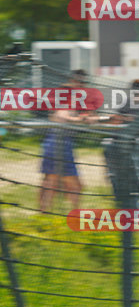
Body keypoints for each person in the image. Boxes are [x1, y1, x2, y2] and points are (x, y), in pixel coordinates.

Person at [39, 71, 99, 211]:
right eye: (78, 82)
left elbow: (91, 116)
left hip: (64, 142)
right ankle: (60, 215)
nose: (81, 85)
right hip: (57, 141)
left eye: (83, 83)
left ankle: (44, 213)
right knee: (60, 183)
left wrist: (89, 118)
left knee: (52, 182)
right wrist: (80, 119)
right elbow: (60, 116)